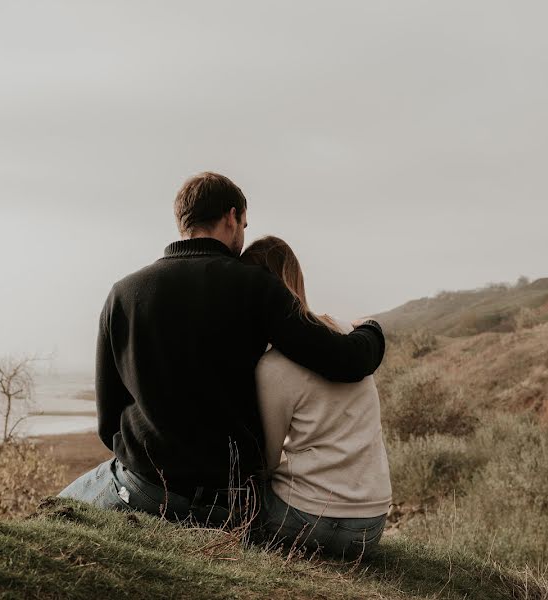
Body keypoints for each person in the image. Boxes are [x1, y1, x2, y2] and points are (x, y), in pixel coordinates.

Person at [59, 172, 386, 526]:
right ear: (231, 217)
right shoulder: (258, 287)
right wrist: (371, 329)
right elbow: (345, 361)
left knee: (55, 510)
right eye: (244, 224)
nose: (243, 236)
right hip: (228, 501)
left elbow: (109, 418)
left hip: (147, 488)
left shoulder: (122, 293)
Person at [243, 236, 391, 559]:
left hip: (304, 521)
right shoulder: (345, 334)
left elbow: (267, 463)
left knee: (236, 497)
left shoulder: (272, 367)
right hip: (371, 525)